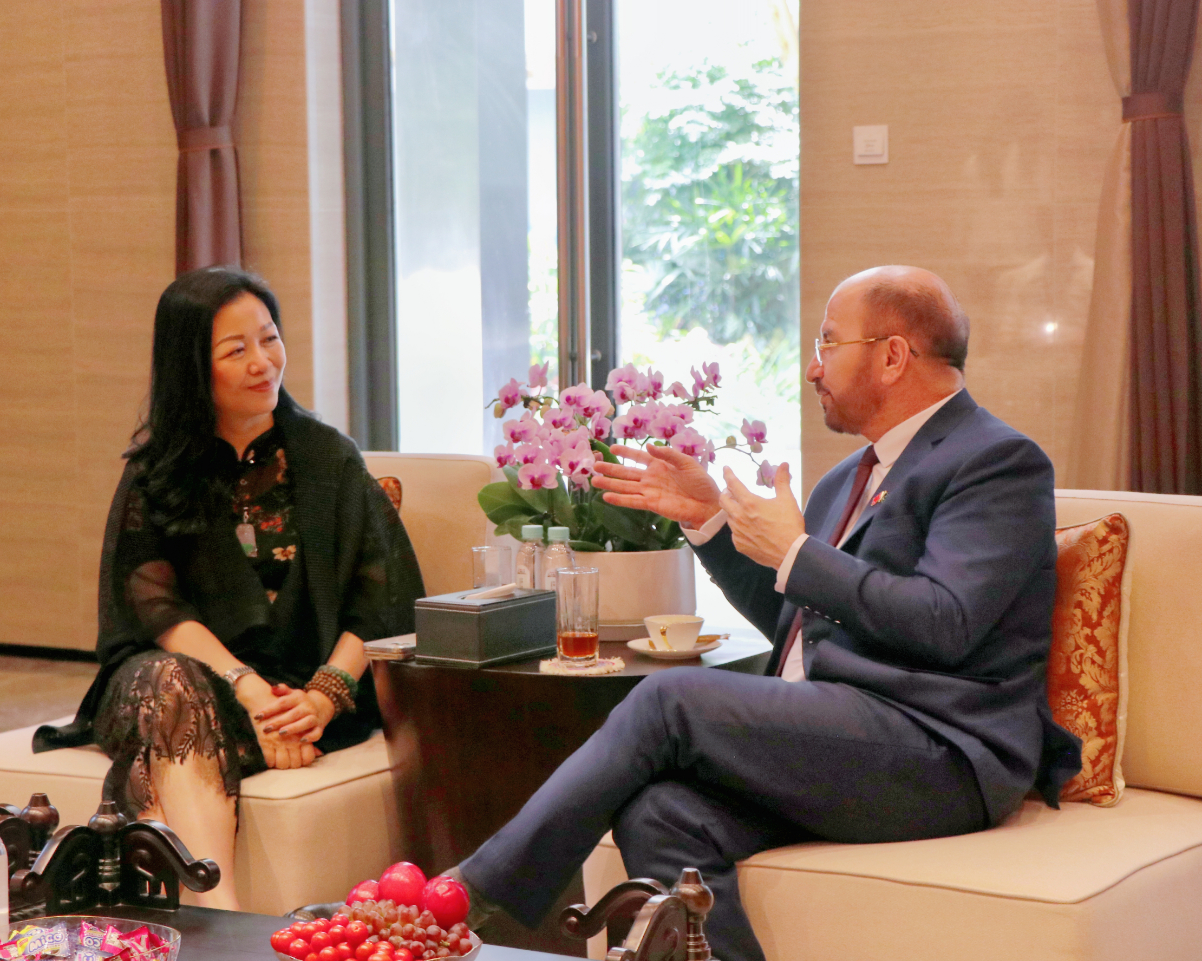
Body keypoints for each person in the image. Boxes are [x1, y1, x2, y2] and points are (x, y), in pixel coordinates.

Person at [449, 266, 1082, 961]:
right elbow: (799, 620)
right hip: (841, 734)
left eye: (828, 342)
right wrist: (710, 523)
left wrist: (797, 551)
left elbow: (946, 621)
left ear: (893, 355)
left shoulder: (996, 461)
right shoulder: (843, 481)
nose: (813, 368)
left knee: (669, 698)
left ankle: (468, 902)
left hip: (942, 750)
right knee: (659, 812)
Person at [34, 266, 424, 910]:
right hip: (179, 680)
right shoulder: (157, 472)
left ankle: (202, 931)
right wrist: (245, 686)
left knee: (167, 748)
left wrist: (323, 697)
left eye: (269, 339)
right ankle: (227, 920)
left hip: (300, 688)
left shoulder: (327, 457)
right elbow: (156, 606)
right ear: (193, 367)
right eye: (235, 350)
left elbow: (381, 598)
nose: (262, 362)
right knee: (172, 688)